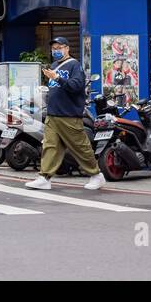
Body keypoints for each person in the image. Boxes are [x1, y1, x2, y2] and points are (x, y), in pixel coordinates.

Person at [26, 37, 105, 191]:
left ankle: (96, 175)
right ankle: (44, 177)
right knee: (50, 146)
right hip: (53, 114)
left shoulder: (74, 65)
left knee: (80, 146)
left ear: (67, 48)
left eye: (59, 47)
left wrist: (57, 78)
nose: (56, 50)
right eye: (54, 48)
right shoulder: (54, 65)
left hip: (68, 115)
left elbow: (76, 86)